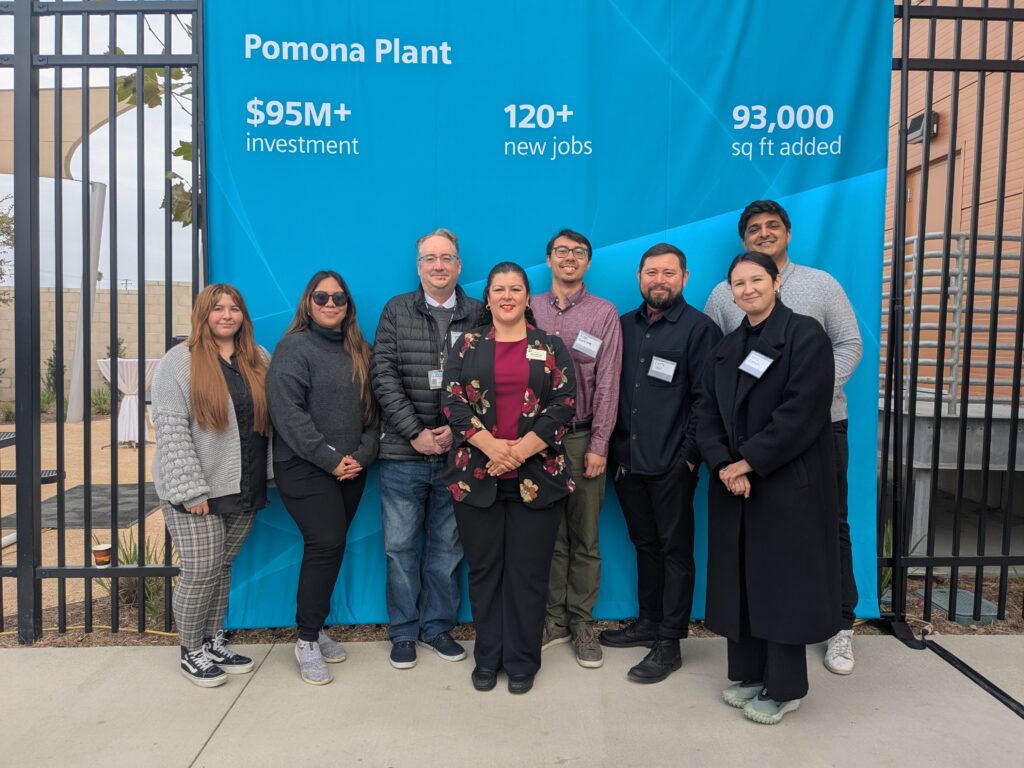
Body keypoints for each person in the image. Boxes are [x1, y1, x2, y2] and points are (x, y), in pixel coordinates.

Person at [703, 200, 862, 674]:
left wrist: (812, 394)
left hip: (817, 429)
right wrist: (732, 457)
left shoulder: (819, 287)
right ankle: (757, 655)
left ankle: (840, 627)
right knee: (762, 546)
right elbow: (715, 378)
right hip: (743, 449)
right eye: (755, 228)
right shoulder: (720, 297)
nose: (764, 233)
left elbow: (850, 344)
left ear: (788, 235)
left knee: (826, 528)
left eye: (773, 226)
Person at [697, 251, 842, 725]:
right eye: (738, 283)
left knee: (781, 585)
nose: (747, 290)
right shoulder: (728, 345)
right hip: (733, 485)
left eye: (756, 280)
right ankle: (749, 673)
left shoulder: (806, 336)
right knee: (741, 579)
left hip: (783, 484)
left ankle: (784, 687)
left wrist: (748, 462)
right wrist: (723, 463)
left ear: (776, 282)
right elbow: (708, 413)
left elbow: (801, 413)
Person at [441, 262, 577, 695]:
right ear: (488, 297)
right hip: (477, 475)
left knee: (528, 573)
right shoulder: (466, 345)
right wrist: (493, 448)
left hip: (537, 475)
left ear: (526, 295)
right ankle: (488, 658)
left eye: (515, 288)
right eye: (498, 289)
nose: (506, 296)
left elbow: (564, 404)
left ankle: (522, 661)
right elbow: (452, 401)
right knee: (485, 572)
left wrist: (517, 451)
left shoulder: (551, 345)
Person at [602, 243, 722, 684]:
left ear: (685, 278)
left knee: (674, 552)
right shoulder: (622, 326)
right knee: (645, 545)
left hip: (672, 464)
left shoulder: (699, 329)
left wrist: (689, 458)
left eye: (669, 273)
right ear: (639, 277)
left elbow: (706, 401)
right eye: (652, 272)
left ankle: (670, 642)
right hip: (627, 462)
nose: (660, 280)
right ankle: (649, 623)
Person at [371, 228, 481, 670]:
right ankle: (403, 633)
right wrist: (415, 432)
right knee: (399, 548)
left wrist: (459, 432)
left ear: (458, 266)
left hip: (460, 455)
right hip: (403, 454)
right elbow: (384, 376)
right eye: (430, 258)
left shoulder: (478, 313)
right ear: (419, 266)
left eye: (447, 258)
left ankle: (437, 627)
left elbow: (488, 379)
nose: (439, 266)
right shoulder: (396, 310)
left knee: (448, 550)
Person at [152, 283, 272, 687]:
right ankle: (190, 650)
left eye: (234, 308)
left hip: (244, 484)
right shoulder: (179, 362)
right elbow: (170, 429)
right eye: (217, 308)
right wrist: (191, 491)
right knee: (201, 569)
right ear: (203, 313)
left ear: (243, 316)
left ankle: (211, 639)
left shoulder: (258, 359)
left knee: (221, 567)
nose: (226, 315)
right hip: (197, 489)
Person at [266, 270, 379, 685]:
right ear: (307, 303)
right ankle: (306, 639)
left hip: (352, 468)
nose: (330, 304)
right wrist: (330, 458)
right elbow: (288, 414)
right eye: (321, 297)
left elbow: (374, 412)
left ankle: (315, 625)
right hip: (305, 466)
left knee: (331, 549)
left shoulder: (361, 350)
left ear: (348, 305)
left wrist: (363, 455)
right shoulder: (293, 347)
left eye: (338, 298)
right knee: (326, 542)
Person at [530, 229, 622, 669]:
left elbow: (607, 382)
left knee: (585, 536)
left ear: (588, 262)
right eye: (562, 251)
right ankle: (553, 619)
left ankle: (583, 622)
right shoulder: (527, 309)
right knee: (550, 535)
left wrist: (599, 443)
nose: (570, 258)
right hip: (535, 442)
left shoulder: (604, 314)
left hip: (584, 437)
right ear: (548, 259)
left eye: (579, 252)